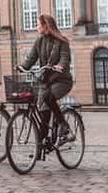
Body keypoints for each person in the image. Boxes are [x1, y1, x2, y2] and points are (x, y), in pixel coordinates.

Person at [18, 14, 74, 145]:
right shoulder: (39, 41)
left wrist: (60, 66)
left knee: (48, 97)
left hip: (62, 81)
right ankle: (41, 148)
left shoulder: (62, 41)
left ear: (46, 26)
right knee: (43, 115)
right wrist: (22, 66)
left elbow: (65, 58)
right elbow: (31, 58)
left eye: (38, 25)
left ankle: (63, 125)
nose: (37, 27)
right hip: (46, 81)